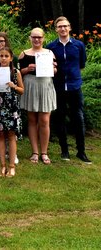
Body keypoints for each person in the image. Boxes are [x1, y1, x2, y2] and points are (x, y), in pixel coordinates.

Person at [47, 16, 91, 164]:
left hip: (74, 86)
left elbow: (82, 64)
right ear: (56, 29)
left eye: (65, 26)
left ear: (70, 27)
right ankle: (64, 150)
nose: (63, 29)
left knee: (78, 118)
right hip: (58, 87)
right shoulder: (51, 47)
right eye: (60, 26)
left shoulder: (78, 45)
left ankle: (81, 151)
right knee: (60, 118)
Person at [18, 28, 57, 164]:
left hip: (45, 85)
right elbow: (18, 73)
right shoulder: (24, 54)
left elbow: (55, 69)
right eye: (34, 37)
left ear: (43, 38)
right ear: (30, 38)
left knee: (45, 120)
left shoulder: (49, 53)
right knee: (32, 120)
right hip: (30, 86)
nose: (36, 40)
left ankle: (44, 152)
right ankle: (35, 152)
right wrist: (27, 69)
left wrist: (54, 68)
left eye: (39, 37)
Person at [0, 47, 23, 177]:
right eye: (1, 56)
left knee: (11, 135)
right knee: (1, 135)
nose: (3, 58)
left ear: (10, 57)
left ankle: (12, 166)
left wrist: (14, 86)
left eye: (6, 56)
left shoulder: (15, 72)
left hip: (11, 106)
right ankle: (2, 166)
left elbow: (22, 90)